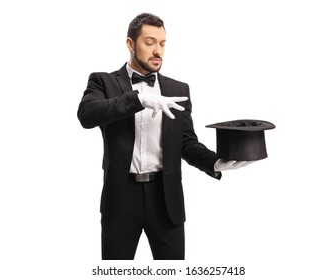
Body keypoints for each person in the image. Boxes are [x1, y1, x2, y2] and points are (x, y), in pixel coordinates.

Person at [77, 13, 251, 260]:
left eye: (162, 43)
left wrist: (213, 163)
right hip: (121, 199)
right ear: (130, 44)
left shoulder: (179, 89)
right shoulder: (103, 82)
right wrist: (137, 99)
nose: (157, 50)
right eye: (149, 42)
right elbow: (87, 114)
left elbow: (187, 142)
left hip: (166, 199)